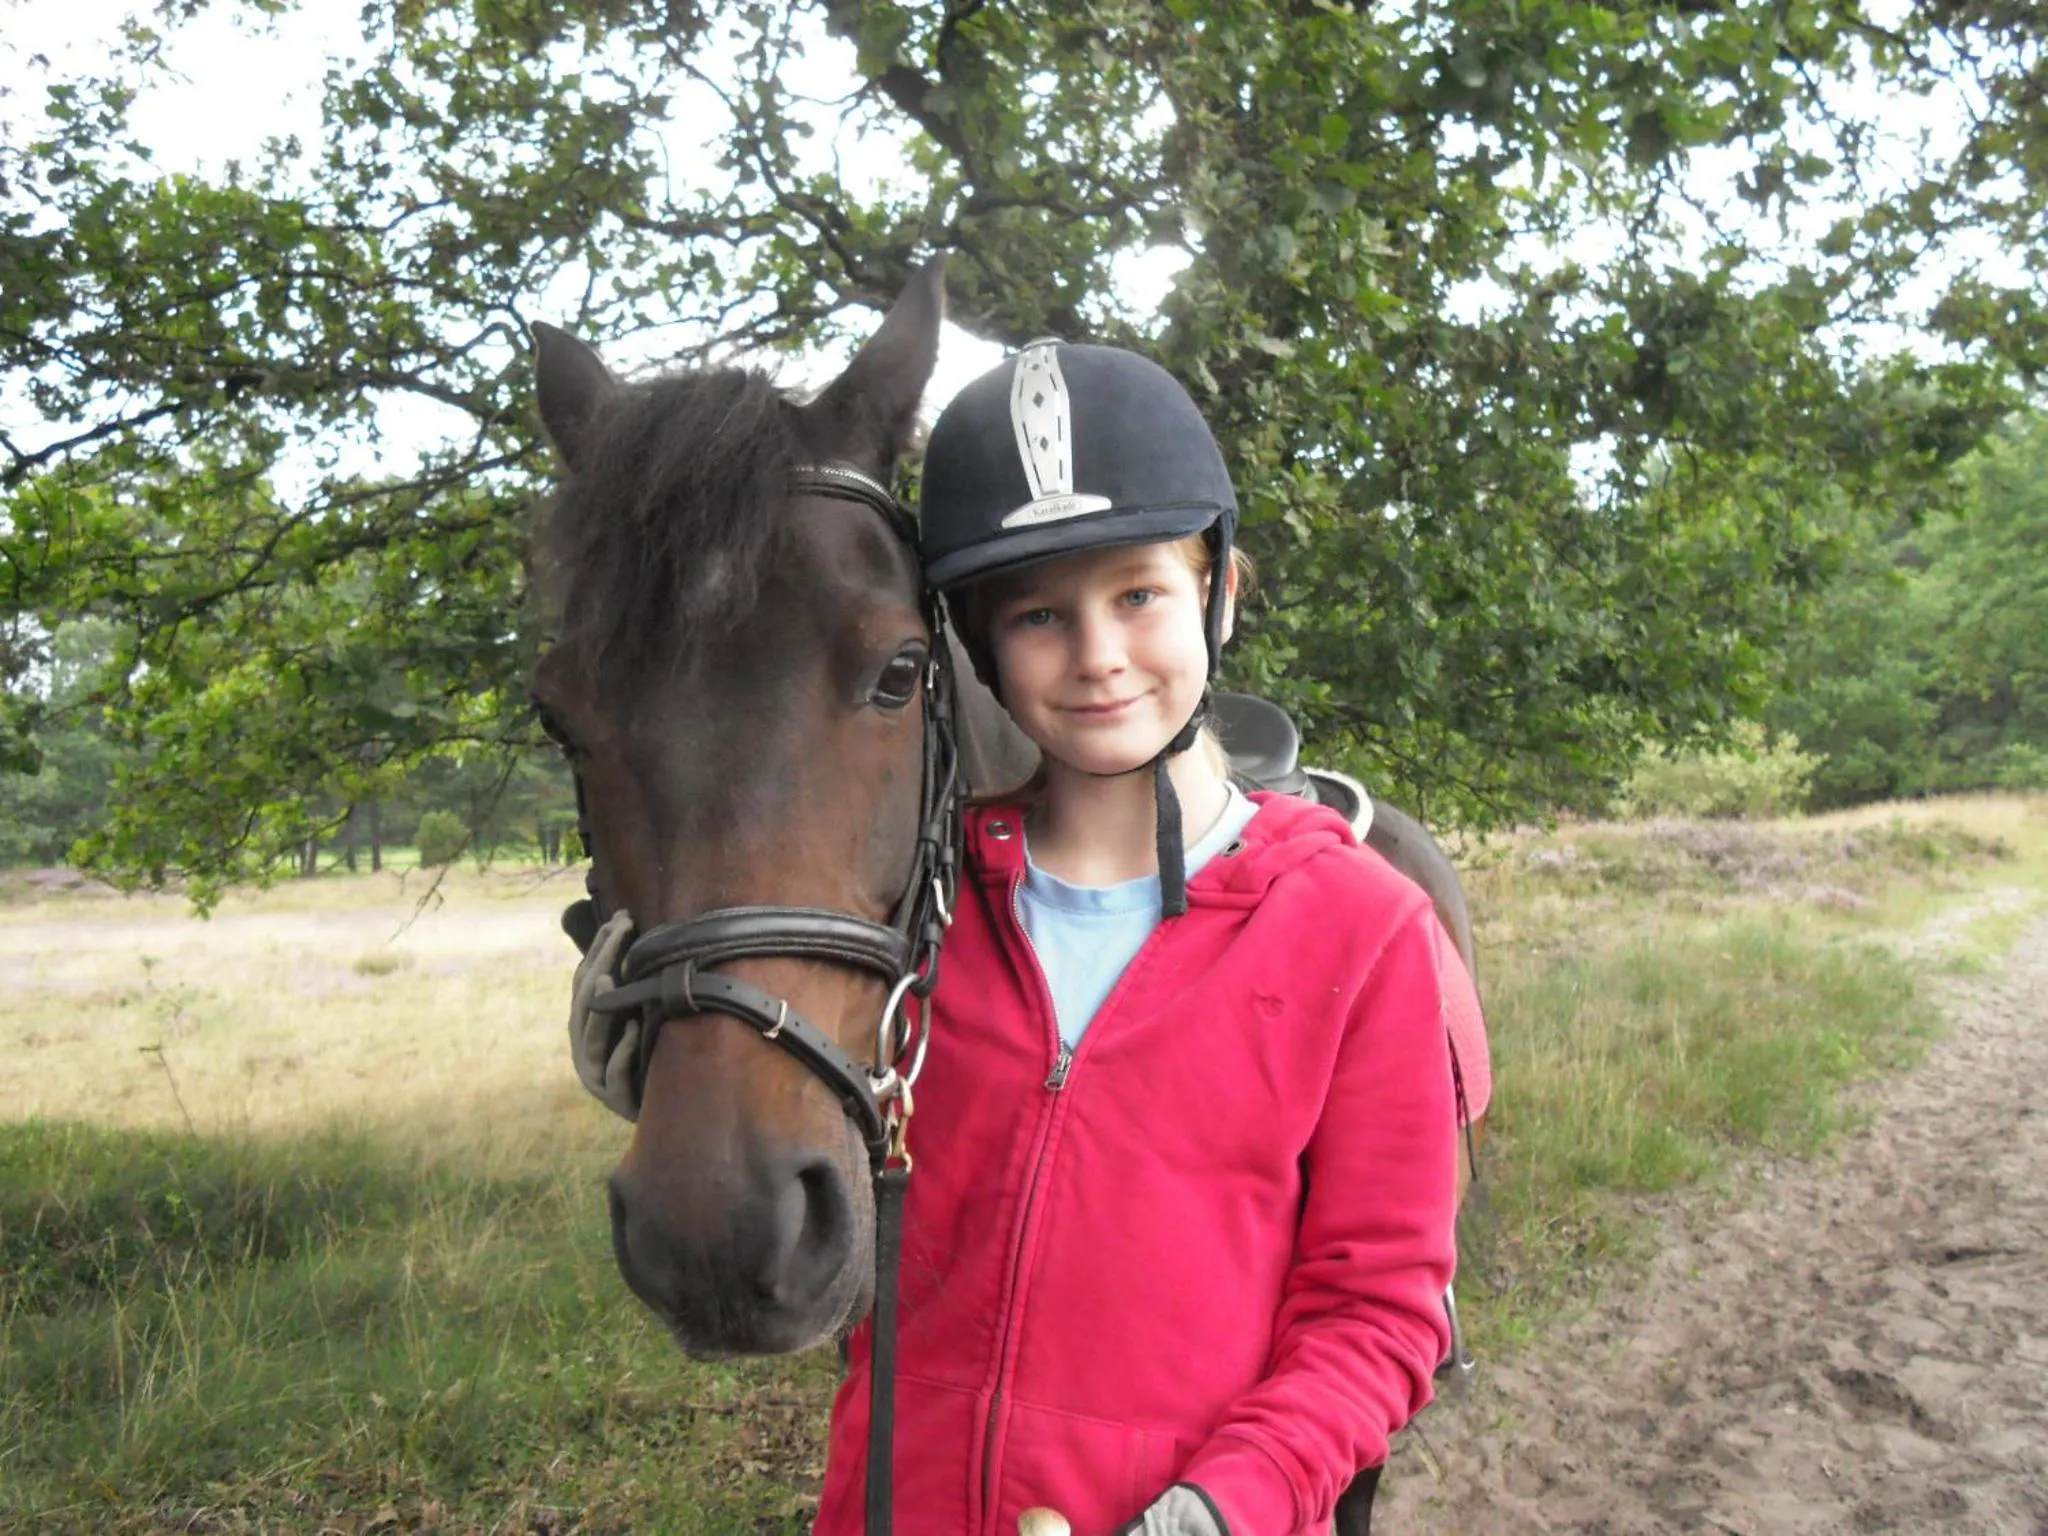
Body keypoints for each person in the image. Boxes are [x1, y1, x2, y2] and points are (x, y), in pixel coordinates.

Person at [813, 340, 1464, 1536]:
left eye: (1137, 595)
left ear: (1215, 588)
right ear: (978, 645)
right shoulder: (915, 913)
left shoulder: (1360, 928)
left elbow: (1378, 1309)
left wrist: (1224, 1509)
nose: (1099, 656)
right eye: (1040, 614)